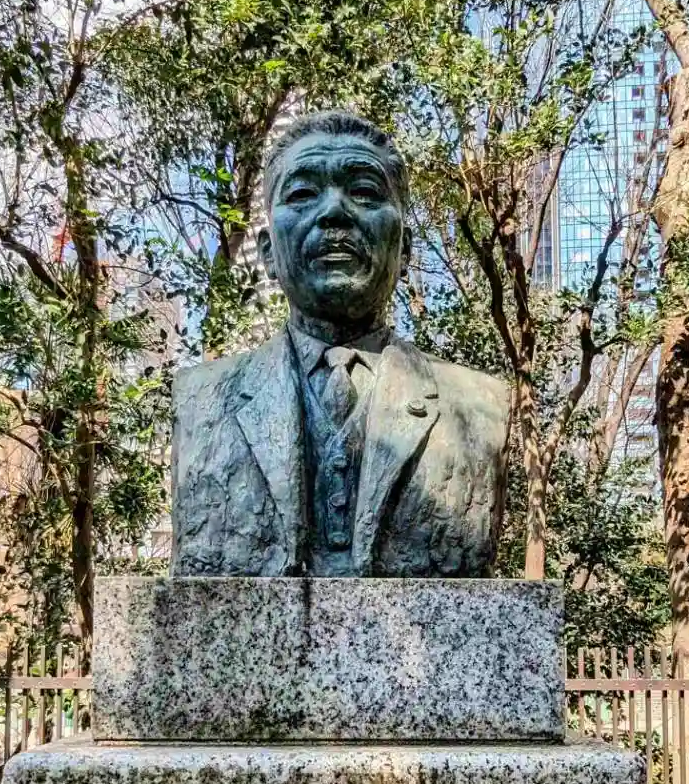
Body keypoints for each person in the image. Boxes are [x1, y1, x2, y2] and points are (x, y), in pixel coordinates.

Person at [171, 110, 512, 577]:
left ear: (404, 249)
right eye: (303, 194)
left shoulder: (478, 405)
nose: (334, 212)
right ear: (268, 252)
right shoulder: (201, 400)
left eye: (365, 192)